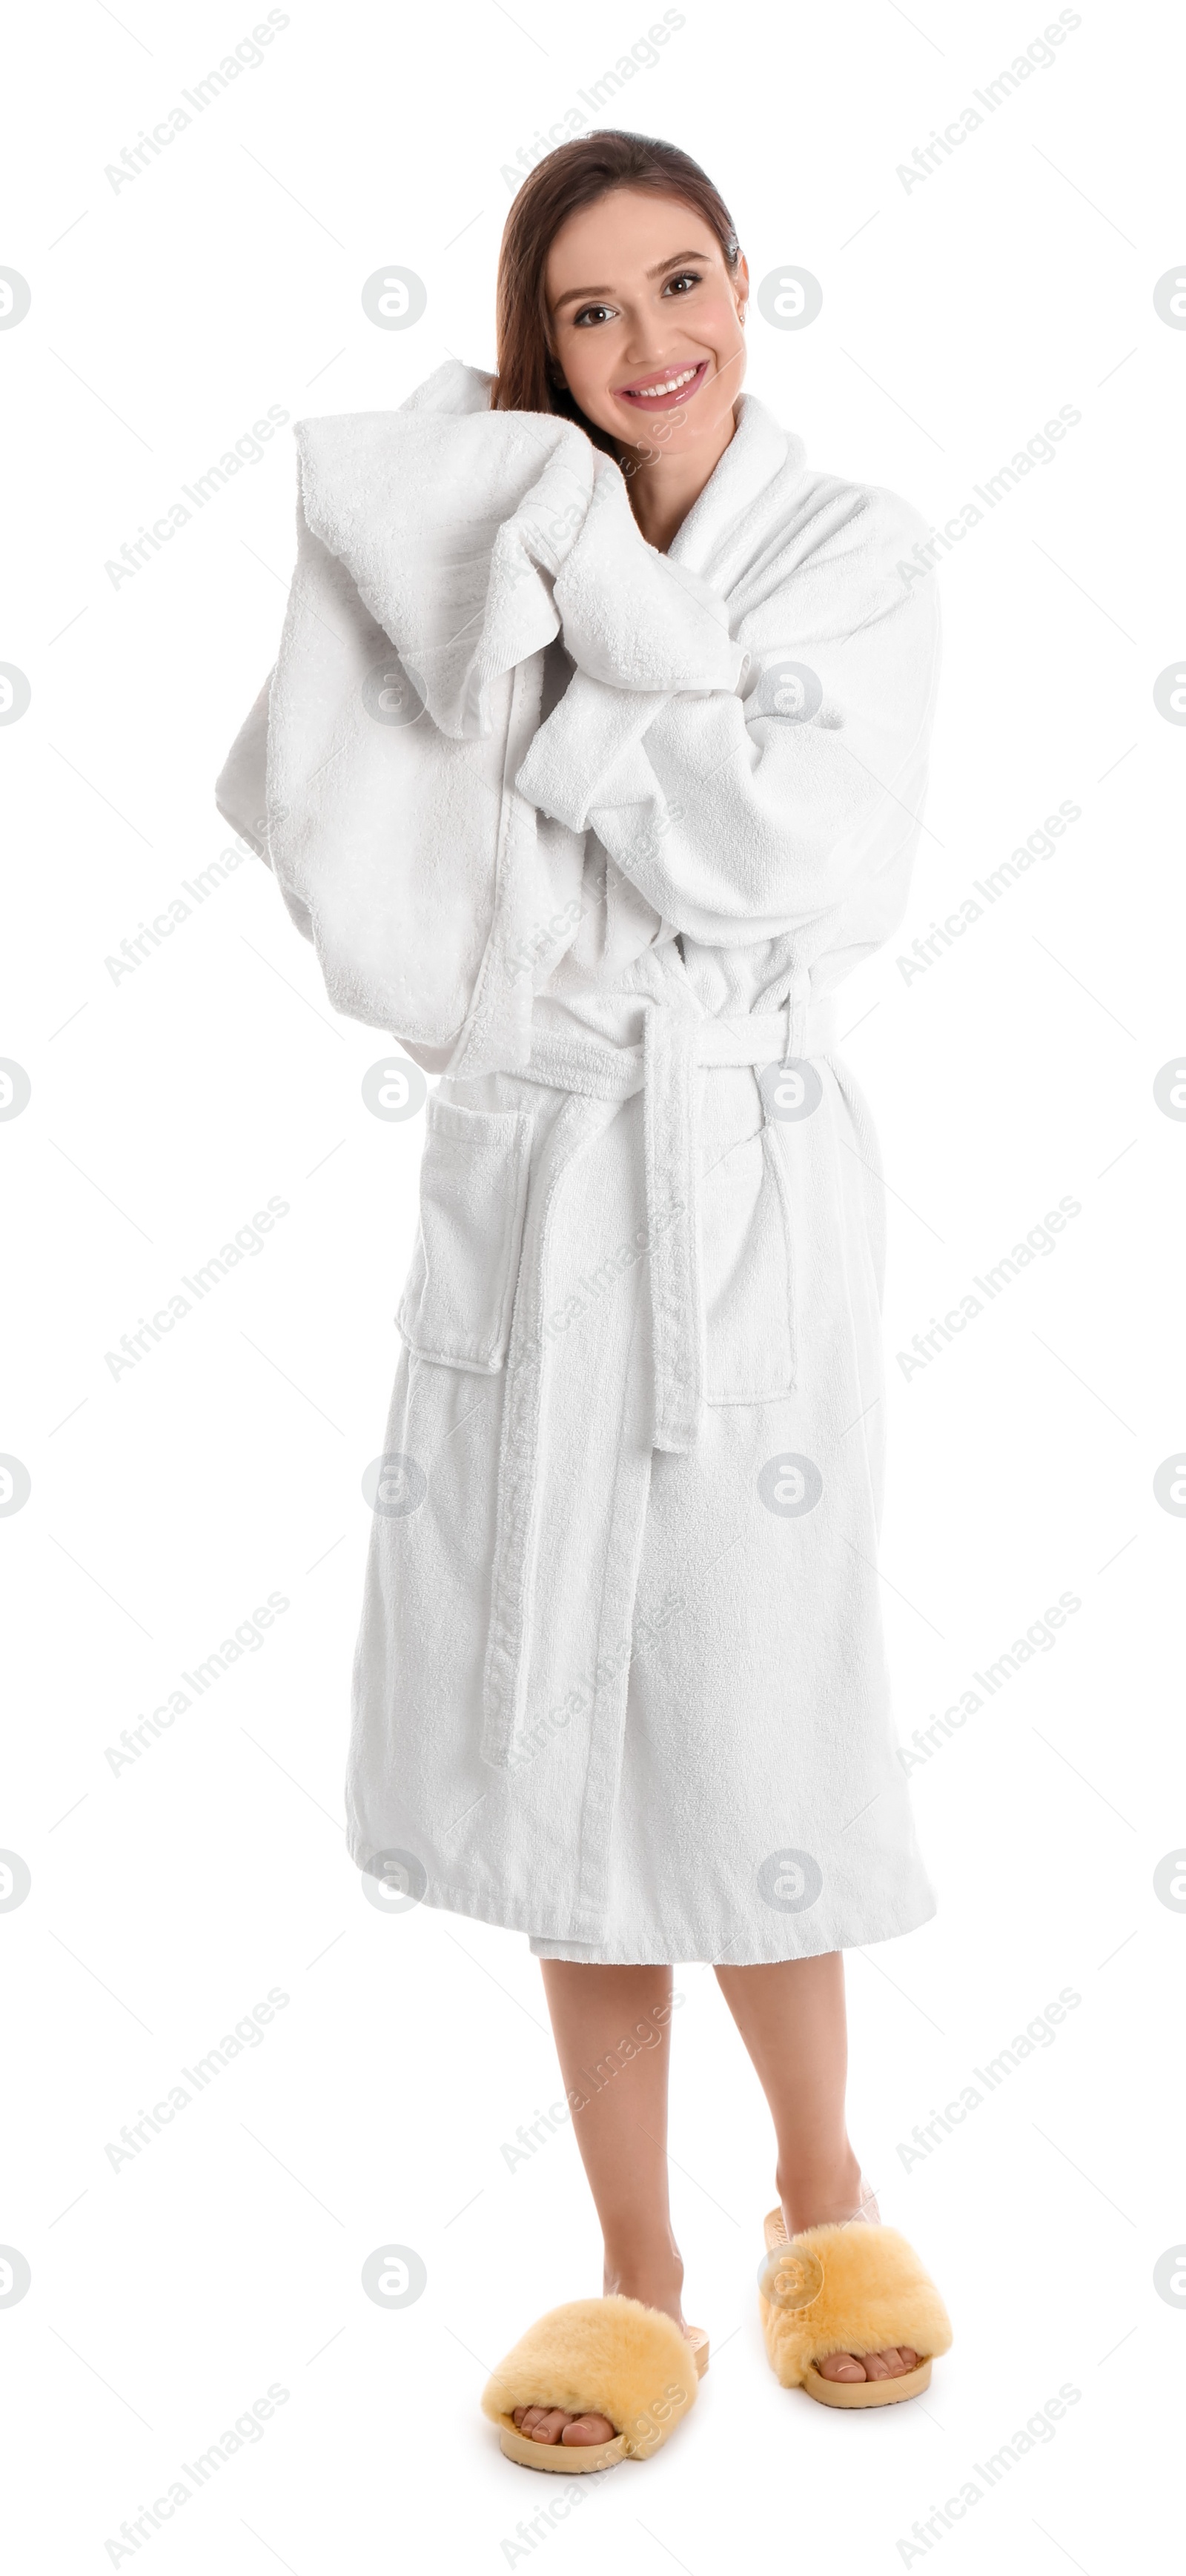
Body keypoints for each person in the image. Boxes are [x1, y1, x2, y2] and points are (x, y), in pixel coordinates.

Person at [216, 128, 953, 2472]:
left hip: (735, 1180)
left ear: (753, 282)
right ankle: (637, 2273)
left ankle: (822, 2191)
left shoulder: (853, 549)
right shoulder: (486, 533)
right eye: (595, 314)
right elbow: (396, 839)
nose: (655, 344)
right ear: (539, 349)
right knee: (561, 1730)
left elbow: (800, 849)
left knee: (751, 1693)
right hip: (540, 1159)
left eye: (688, 280)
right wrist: (626, 699)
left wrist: (580, 702)